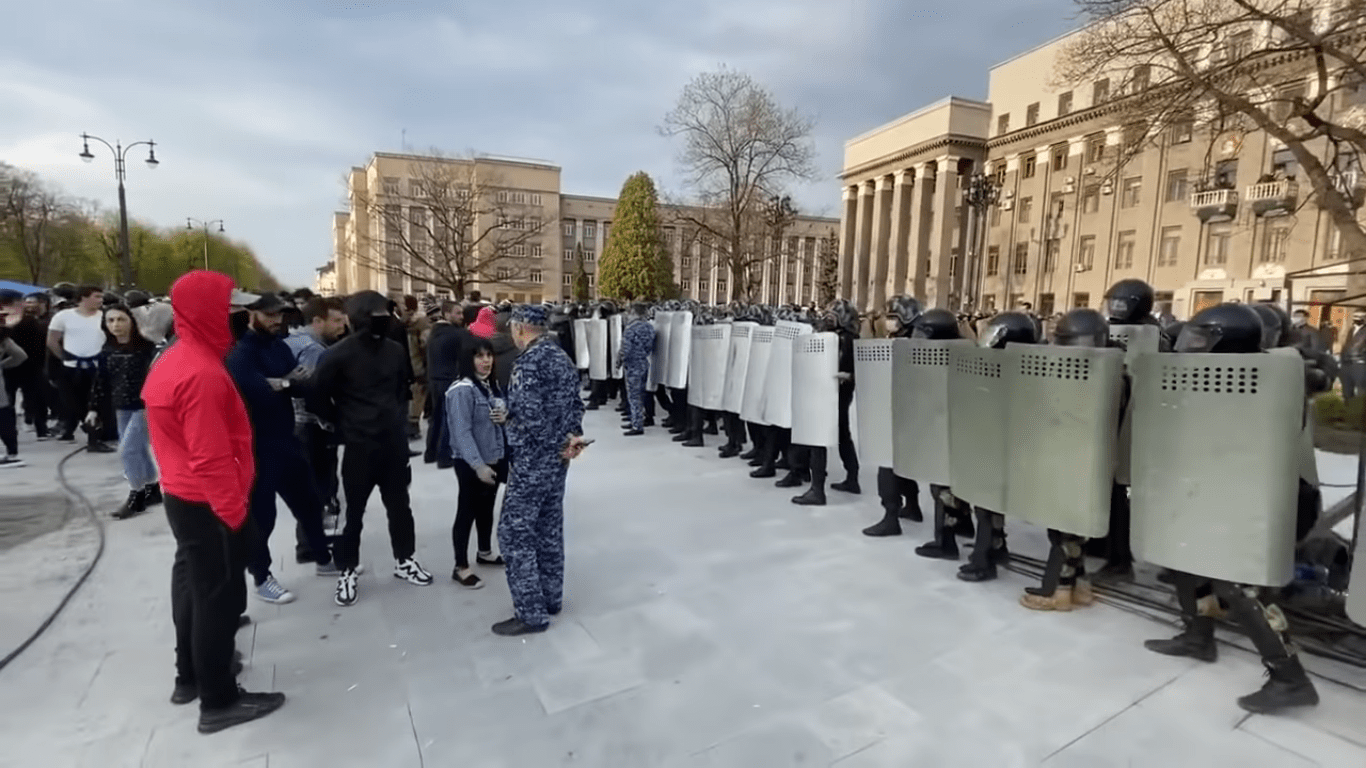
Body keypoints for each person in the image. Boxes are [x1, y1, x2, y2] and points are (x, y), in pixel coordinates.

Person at [1143, 302, 1319, 714]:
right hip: (1222, 488)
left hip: (1262, 495)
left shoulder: (1263, 383)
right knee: (1185, 555)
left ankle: (1289, 677)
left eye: (1201, 339)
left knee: (1239, 585)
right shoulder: (1213, 379)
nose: (1190, 346)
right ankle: (1197, 635)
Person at [141, 271, 285, 734]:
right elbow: (211, 456)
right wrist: (235, 516)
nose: (240, 317)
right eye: (233, 311)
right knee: (218, 602)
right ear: (208, 314)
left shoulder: (176, 357)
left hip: (184, 496)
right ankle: (218, 700)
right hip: (209, 502)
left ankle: (191, 675)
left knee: (194, 589)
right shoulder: (201, 373)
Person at [318, 291, 434, 607]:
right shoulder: (337, 355)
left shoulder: (396, 351)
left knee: (400, 506)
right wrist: (342, 422)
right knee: (352, 514)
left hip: (392, 444)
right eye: (377, 318)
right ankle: (347, 569)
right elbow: (318, 396)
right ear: (358, 320)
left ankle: (405, 559)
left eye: (386, 316)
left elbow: (401, 389)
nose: (382, 323)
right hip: (356, 447)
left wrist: (393, 420)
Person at [226, 292, 340, 605]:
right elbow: (256, 391)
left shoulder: (279, 346)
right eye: (270, 315)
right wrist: (284, 383)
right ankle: (262, 577)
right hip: (257, 445)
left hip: (287, 438)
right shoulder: (241, 353)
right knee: (263, 516)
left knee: (308, 501)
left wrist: (283, 383)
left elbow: (300, 383)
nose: (277, 321)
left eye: (280, 315)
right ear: (252, 315)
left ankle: (321, 556)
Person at [493, 304, 588, 636]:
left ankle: (531, 612)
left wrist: (552, 440)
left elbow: (532, 416)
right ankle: (551, 597)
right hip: (559, 458)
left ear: (519, 328)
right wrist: (571, 439)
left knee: (514, 533)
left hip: (534, 459)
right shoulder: (560, 357)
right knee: (548, 527)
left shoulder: (529, 362)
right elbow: (576, 403)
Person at [284, 296, 348, 562]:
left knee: (308, 487)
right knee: (317, 487)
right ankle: (310, 545)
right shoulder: (314, 350)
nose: (341, 326)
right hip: (311, 427)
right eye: (336, 320)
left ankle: (311, 539)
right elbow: (314, 393)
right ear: (317, 321)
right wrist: (332, 422)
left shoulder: (292, 341)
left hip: (294, 425)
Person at [86, 304, 161, 518]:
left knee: (127, 450)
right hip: (121, 406)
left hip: (144, 406)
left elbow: (157, 378)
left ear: (131, 321)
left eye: (121, 319)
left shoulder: (147, 348)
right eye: (110, 321)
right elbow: (100, 380)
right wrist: (93, 408)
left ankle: (136, 496)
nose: (116, 325)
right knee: (137, 450)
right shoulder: (107, 350)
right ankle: (151, 488)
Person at [445, 338, 508, 588]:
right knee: (467, 511)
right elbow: (462, 432)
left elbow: (497, 421)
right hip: (472, 463)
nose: (486, 361)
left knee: (486, 508)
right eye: (479, 356)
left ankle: (484, 552)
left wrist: (504, 415)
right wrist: (478, 465)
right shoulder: (462, 389)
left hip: (493, 457)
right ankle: (460, 566)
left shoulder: (488, 386)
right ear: (468, 360)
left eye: (489, 355)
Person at [863, 296, 925, 536]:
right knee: (901, 463)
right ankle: (912, 506)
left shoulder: (913, 341)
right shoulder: (909, 338)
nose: (889, 322)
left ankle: (891, 515)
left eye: (893, 318)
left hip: (904, 407)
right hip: (908, 409)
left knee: (887, 463)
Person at [47, 285, 114, 451]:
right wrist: (64, 357)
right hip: (71, 368)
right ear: (83, 298)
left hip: (97, 368)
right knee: (75, 405)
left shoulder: (105, 316)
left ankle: (95, 438)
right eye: (97, 296)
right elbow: (52, 340)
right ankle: (91, 433)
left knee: (96, 405)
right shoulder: (63, 316)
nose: (101, 300)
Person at [425, 300, 474, 466]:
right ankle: (444, 456)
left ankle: (430, 452)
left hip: (434, 378)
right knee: (449, 418)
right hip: (450, 378)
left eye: (461, 313)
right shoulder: (457, 334)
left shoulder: (434, 332)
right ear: (447, 314)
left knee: (436, 416)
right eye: (457, 313)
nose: (461, 316)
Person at [618, 302, 656, 436]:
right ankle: (637, 420)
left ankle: (637, 425)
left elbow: (625, 349)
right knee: (641, 394)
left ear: (634, 313)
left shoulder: (630, 328)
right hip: (643, 362)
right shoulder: (650, 328)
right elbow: (650, 347)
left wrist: (618, 361)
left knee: (633, 396)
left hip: (632, 364)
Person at [0, 324, 28, 468]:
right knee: (4, 416)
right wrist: (3, 365)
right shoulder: (4, 338)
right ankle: (12, 453)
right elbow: (20, 355)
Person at [403, 295, 430, 442]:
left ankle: (408, 423)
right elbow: (425, 344)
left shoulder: (400, 320)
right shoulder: (422, 322)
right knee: (418, 395)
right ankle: (413, 425)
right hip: (417, 365)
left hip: (404, 364)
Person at [1340, 310, 1366, 400]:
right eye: (1355, 316)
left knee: (1361, 391)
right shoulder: (1351, 329)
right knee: (1346, 391)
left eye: (1360, 316)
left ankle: (1361, 412)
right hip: (1346, 363)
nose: (1357, 318)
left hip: (1359, 363)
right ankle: (1347, 411)